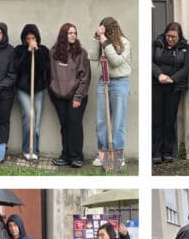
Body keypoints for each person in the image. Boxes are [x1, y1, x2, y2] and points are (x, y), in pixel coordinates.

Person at [89, 17, 131, 168]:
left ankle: (117, 156)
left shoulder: (124, 42)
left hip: (120, 82)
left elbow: (116, 61)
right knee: (101, 121)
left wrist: (106, 43)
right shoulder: (101, 41)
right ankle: (102, 154)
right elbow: (93, 56)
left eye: (108, 31)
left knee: (118, 122)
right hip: (104, 81)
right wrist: (96, 39)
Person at [49, 23, 91, 168]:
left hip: (76, 97)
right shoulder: (53, 53)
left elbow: (85, 77)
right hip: (58, 96)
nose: (73, 35)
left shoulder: (81, 53)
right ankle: (65, 155)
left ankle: (76, 156)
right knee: (64, 126)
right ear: (63, 35)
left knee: (74, 125)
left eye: (75, 33)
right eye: (70, 33)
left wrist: (78, 97)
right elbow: (48, 73)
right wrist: (52, 89)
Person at [152, 22, 189, 163]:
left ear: (179, 36)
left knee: (170, 119)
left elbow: (187, 67)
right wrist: (159, 75)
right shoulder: (156, 44)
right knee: (156, 119)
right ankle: (155, 152)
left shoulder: (185, 48)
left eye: (174, 37)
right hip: (157, 85)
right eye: (168, 36)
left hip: (174, 88)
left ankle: (167, 151)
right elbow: (150, 62)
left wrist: (172, 79)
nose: (170, 39)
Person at [13, 24, 51, 160]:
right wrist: (28, 52)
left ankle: (34, 150)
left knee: (36, 124)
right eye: (28, 38)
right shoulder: (19, 50)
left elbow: (44, 68)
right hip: (23, 89)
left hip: (38, 90)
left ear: (37, 38)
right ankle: (26, 149)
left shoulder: (44, 50)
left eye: (33, 38)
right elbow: (17, 67)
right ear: (24, 39)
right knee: (29, 117)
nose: (31, 41)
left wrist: (37, 51)